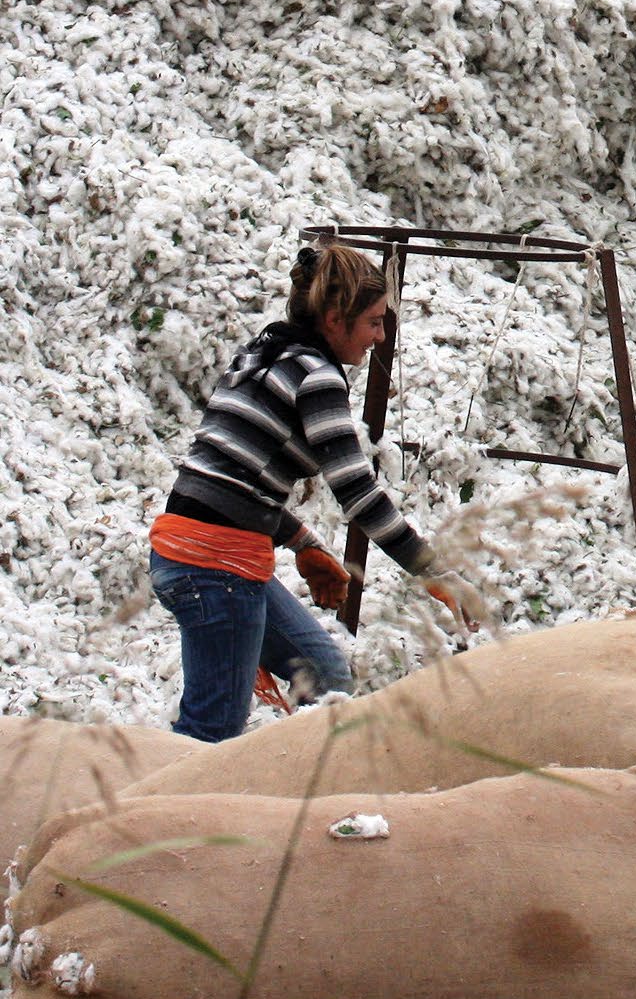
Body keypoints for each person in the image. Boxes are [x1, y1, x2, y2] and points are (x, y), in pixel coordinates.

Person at [150, 239, 455, 742]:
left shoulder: (265, 354)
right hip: (215, 566)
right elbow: (357, 490)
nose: (381, 337)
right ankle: (168, 818)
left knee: (324, 675)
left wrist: (302, 542)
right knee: (211, 733)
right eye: (374, 322)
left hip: (190, 553)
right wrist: (431, 569)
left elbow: (232, 477)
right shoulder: (317, 377)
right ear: (335, 319)